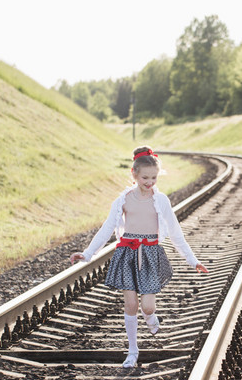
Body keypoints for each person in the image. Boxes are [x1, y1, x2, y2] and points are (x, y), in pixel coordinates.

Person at [70, 146, 208, 368]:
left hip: (150, 254)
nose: (150, 181)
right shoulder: (123, 200)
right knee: (131, 304)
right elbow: (107, 228)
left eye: (153, 177)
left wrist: (193, 260)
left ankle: (152, 319)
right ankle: (132, 351)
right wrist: (87, 253)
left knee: (148, 307)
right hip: (127, 254)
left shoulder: (161, 200)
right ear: (134, 174)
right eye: (145, 177)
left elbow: (175, 233)